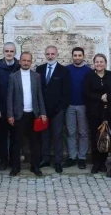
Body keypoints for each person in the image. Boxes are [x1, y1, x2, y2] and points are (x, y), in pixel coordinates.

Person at [6, 52, 47, 176]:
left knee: (35, 143)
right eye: (24, 60)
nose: (26, 63)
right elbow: (9, 97)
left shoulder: (36, 76)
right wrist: (10, 114)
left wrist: (43, 112)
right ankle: (15, 167)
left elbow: (40, 95)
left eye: (28, 61)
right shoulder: (13, 77)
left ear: (31, 62)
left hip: (34, 114)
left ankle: (35, 167)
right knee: (16, 143)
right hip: (19, 114)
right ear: (20, 61)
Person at [35, 45, 70, 173]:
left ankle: (58, 161)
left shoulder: (63, 71)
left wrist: (60, 108)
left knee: (57, 135)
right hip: (43, 110)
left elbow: (66, 92)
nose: (50, 56)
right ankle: (45, 159)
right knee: (44, 135)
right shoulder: (39, 69)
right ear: (45, 54)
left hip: (58, 110)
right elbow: (37, 90)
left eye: (52, 54)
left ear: (57, 54)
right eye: (48, 54)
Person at [84, 54, 111, 174]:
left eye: (101, 62)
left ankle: (103, 163)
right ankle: (96, 163)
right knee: (95, 136)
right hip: (94, 111)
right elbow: (86, 93)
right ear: (94, 63)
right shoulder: (89, 76)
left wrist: (108, 96)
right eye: (97, 62)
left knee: (105, 136)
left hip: (108, 111)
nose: (99, 64)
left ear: (105, 63)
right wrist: (100, 97)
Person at [0, 42, 20, 170]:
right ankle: (3, 160)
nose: (9, 53)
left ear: (15, 53)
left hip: (16, 108)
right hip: (2, 108)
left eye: (11, 51)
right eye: (7, 51)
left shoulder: (20, 67)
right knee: (2, 136)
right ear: (3, 53)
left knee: (16, 136)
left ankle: (14, 161)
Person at [65, 47, 93, 169]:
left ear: (83, 56)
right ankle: (72, 156)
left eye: (79, 55)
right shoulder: (66, 70)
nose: (77, 57)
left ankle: (82, 157)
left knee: (83, 132)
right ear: (72, 56)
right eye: (75, 55)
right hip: (69, 106)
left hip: (83, 106)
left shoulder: (89, 71)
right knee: (71, 132)